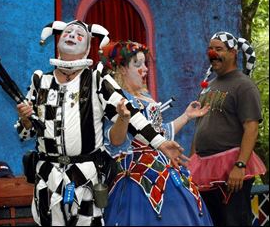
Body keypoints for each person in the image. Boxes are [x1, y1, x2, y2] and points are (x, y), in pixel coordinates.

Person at [15, 20, 186, 226]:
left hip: (86, 176)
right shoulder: (40, 80)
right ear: (58, 39)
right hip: (47, 175)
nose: (71, 35)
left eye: (79, 35)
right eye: (68, 32)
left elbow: (129, 113)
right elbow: (27, 133)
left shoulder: (97, 78)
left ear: (87, 47)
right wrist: (25, 120)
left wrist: (160, 143)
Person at [99, 40, 213, 226]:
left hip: (165, 169)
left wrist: (186, 116)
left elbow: (159, 135)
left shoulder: (146, 97)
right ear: (121, 68)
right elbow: (115, 141)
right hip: (135, 174)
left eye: (145, 63)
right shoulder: (117, 100)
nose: (144, 69)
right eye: (137, 64)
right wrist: (123, 118)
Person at [188, 31, 267, 226]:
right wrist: (191, 163)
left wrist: (240, 166)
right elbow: (200, 126)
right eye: (210, 49)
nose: (212, 53)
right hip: (204, 170)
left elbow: (251, 128)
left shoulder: (244, 85)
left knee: (234, 221)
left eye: (219, 49)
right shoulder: (209, 86)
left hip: (231, 170)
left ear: (233, 53)